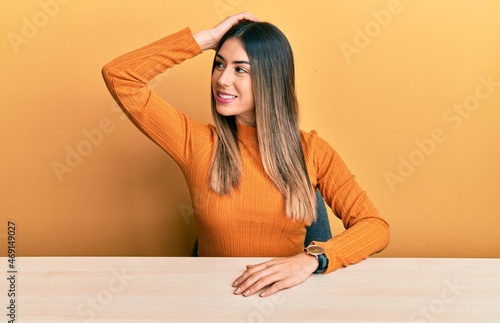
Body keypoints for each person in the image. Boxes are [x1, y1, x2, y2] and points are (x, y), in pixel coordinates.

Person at [102, 12, 389, 298]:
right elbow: (121, 76)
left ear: (271, 79)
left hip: (286, 301)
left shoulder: (313, 151)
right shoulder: (196, 142)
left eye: (240, 69)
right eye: (219, 65)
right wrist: (206, 39)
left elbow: (375, 227)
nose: (222, 80)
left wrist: (312, 259)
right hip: (214, 298)